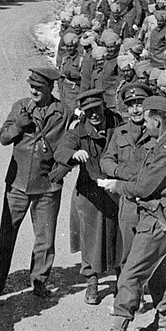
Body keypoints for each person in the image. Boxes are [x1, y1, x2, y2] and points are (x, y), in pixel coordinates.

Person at [91, 96, 166, 331]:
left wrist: (118, 185)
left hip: (156, 218)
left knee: (130, 273)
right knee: (162, 273)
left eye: (147, 120)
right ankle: (164, 325)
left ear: (157, 120)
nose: (144, 126)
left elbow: (145, 186)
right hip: (165, 216)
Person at [0, 67, 66, 299]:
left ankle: (39, 281)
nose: (34, 91)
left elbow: (70, 143)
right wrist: (18, 125)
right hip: (17, 184)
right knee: (6, 235)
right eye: (32, 87)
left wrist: (64, 168)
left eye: (39, 88)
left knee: (45, 239)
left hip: (47, 185)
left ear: (50, 88)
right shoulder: (20, 106)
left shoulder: (62, 112)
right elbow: (3, 137)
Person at [54, 89, 121, 304]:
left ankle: (122, 283)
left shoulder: (117, 123)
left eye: (97, 110)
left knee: (119, 236)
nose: (94, 115)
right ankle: (91, 282)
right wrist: (73, 155)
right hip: (89, 190)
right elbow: (61, 150)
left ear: (104, 107)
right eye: (89, 111)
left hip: (115, 188)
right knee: (90, 236)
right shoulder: (78, 129)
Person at [100, 83, 154, 270]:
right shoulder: (119, 132)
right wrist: (121, 172)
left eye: (140, 104)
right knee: (127, 249)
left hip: (152, 200)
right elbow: (106, 161)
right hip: (128, 200)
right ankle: (128, 294)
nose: (135, 110)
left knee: (150, 250)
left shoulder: (156, 132)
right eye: (131, 105)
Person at [58, 32, 81, 114]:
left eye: (71, 46)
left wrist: (72, 74)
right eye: (67, 46)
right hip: (64, 93)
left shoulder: (81, 60)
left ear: (76, 46)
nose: (69, 49)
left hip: (74, 94)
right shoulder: (65, 59)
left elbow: (84, 78)